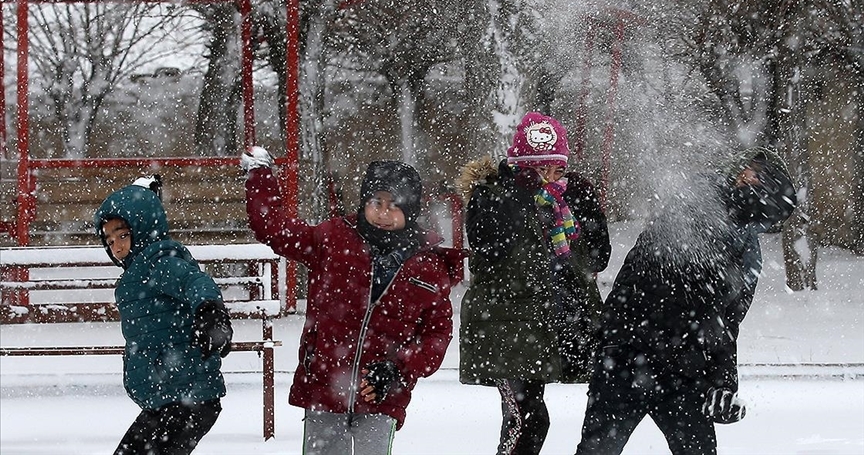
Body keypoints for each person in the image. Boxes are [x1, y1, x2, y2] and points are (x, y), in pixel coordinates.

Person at [241, 149, 466, 455]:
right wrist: (260, 176)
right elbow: (275, 230)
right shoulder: (333, 239)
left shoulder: (428, 266)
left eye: (395, 206)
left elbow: (436, 336)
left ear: (411, 211)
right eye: (376, 203)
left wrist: (398, 369)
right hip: (325, 383)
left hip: (381, 394)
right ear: (364, 203)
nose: (384, 213)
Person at [575, 147, 797, 455]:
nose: (749, 178)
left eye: (759, 178)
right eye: (750, 171)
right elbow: (641, 280)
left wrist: (724, 385)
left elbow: (726, 324)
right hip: (626, 357)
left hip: (684, 373)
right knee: (597, 450)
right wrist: (610, 343)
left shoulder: (748, 254)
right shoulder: (692, 201)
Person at [456, 111, 612, 455]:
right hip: (505, 327)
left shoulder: (566, 204)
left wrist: (587, 212)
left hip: (550, 323)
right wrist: (519, 198)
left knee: (535, 420)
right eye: (540, 170)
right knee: (526, 420)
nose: (551, 179)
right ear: (521, 168)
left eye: (558, 170)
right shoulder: (493, 196)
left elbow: (597, 259)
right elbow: (486, 243)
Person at [94, 175, 233, 455]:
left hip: (190, 396)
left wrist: (210, 312)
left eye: (123, 235)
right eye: (109, 241)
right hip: (165, 397)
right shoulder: (137, 273)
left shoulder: (160, 263)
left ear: (142, 228)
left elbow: (195, 282)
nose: (117, 246)